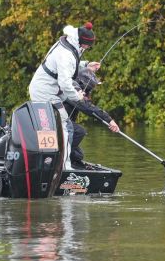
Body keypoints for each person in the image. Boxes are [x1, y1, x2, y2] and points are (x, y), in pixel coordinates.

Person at [29, 22, 100, 170]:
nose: (88, 48)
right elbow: (65, 83)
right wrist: (77, 96)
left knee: (57, 126)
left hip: (49, 90)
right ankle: (64, 167)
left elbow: (70, 65)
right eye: (88, 45)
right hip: (45, 92)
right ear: (81, 41)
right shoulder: (66, 54)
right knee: (66, 127)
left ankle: (56, 160)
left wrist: (86, 65)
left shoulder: (69, 42)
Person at [64, 67, 119, 168]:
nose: (90, 92)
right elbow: (86, 107)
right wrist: (109, 120)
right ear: (83, 84)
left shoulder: (75, 87)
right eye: (89, 89)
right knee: (79, 131)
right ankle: (62, 161)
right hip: (58, 122)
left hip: (64, 123)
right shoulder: (72, 89)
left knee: (78, 155)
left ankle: (73, 164)